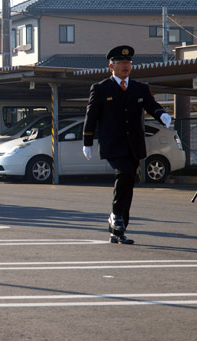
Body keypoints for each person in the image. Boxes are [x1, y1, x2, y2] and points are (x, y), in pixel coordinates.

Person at [83, 45, 171, 244]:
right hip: (113, 144)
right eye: (121, 63)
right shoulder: (101, 88)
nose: (125, 66)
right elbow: (91, 116)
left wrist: (162, 115)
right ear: (111, 66)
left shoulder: (139, 88)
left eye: (128, 63)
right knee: (125, 173)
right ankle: (116, 216)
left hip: (134, 144)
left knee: (128, 184)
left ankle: (118, 230)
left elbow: (151, 105)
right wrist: (87, 141)